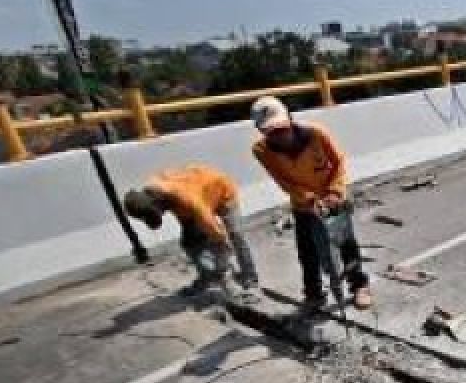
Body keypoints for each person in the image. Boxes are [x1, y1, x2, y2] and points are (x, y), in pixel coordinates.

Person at [249, 96, 373, 311]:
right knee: (308, 251)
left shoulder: (316, 133)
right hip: (303, 204)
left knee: (346, 244)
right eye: (272, 132)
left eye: (282, 128)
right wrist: (309, 199)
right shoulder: (261, 150)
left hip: (333, 197)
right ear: (262, 131)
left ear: (289, 118)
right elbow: (283, 180)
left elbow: (339, 161)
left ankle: (359, 285)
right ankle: (314, 294)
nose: (279, 135)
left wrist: (334, 192)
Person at [123, 165, 260, 302]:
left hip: (222, 190)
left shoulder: (187, 199)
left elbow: (217, 233)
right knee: (191, 243)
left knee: (235, 235)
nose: (160, 215)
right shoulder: (153, 191)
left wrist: (223, 257)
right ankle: (206, 278)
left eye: (154, 213)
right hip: (196, 193)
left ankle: (250, 278)